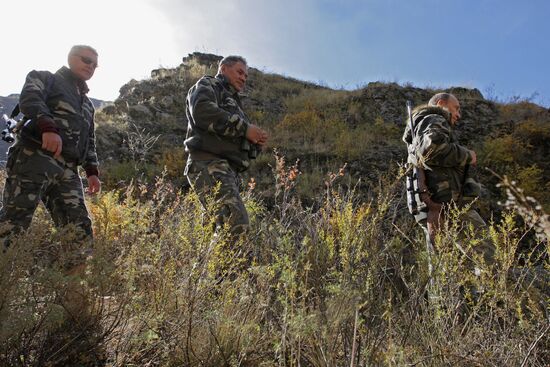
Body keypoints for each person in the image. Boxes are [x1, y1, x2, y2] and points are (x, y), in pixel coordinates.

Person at [0, 44, 101, 265]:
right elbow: (30, 100)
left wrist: (92, 171)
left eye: (95, 64)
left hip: (68, 169)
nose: (91, 66)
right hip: (35, 156)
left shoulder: (88, 105)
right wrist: (48, 127)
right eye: (86, 60)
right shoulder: (45, 78)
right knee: (13, 223)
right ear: (70, 58)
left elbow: (89, 139)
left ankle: (75, 295)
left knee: (79, 230)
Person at [403, 93, 495, 271]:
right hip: (447, 202)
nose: (459, 115)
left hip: (433, 204)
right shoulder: (435, 118)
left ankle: (458, 298)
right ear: (441, 103)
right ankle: (497, 295)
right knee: (487, 253)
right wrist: (468, 155)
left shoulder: (419, 126)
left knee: (446, 264)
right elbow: (433, 149)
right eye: (456, 108)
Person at [184, 55, 268, 237]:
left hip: (227, 171)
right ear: (223, 69)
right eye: (239, 72)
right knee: (235, 226)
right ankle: (231, 267)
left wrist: (255, 142)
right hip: (209, 164)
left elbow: (234, 138)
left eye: (246, 75)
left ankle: (210, 266)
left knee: (216, 233)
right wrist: (245, 129)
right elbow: (202, 112)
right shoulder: (208, 85)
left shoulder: (233, 102)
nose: (243, 78)